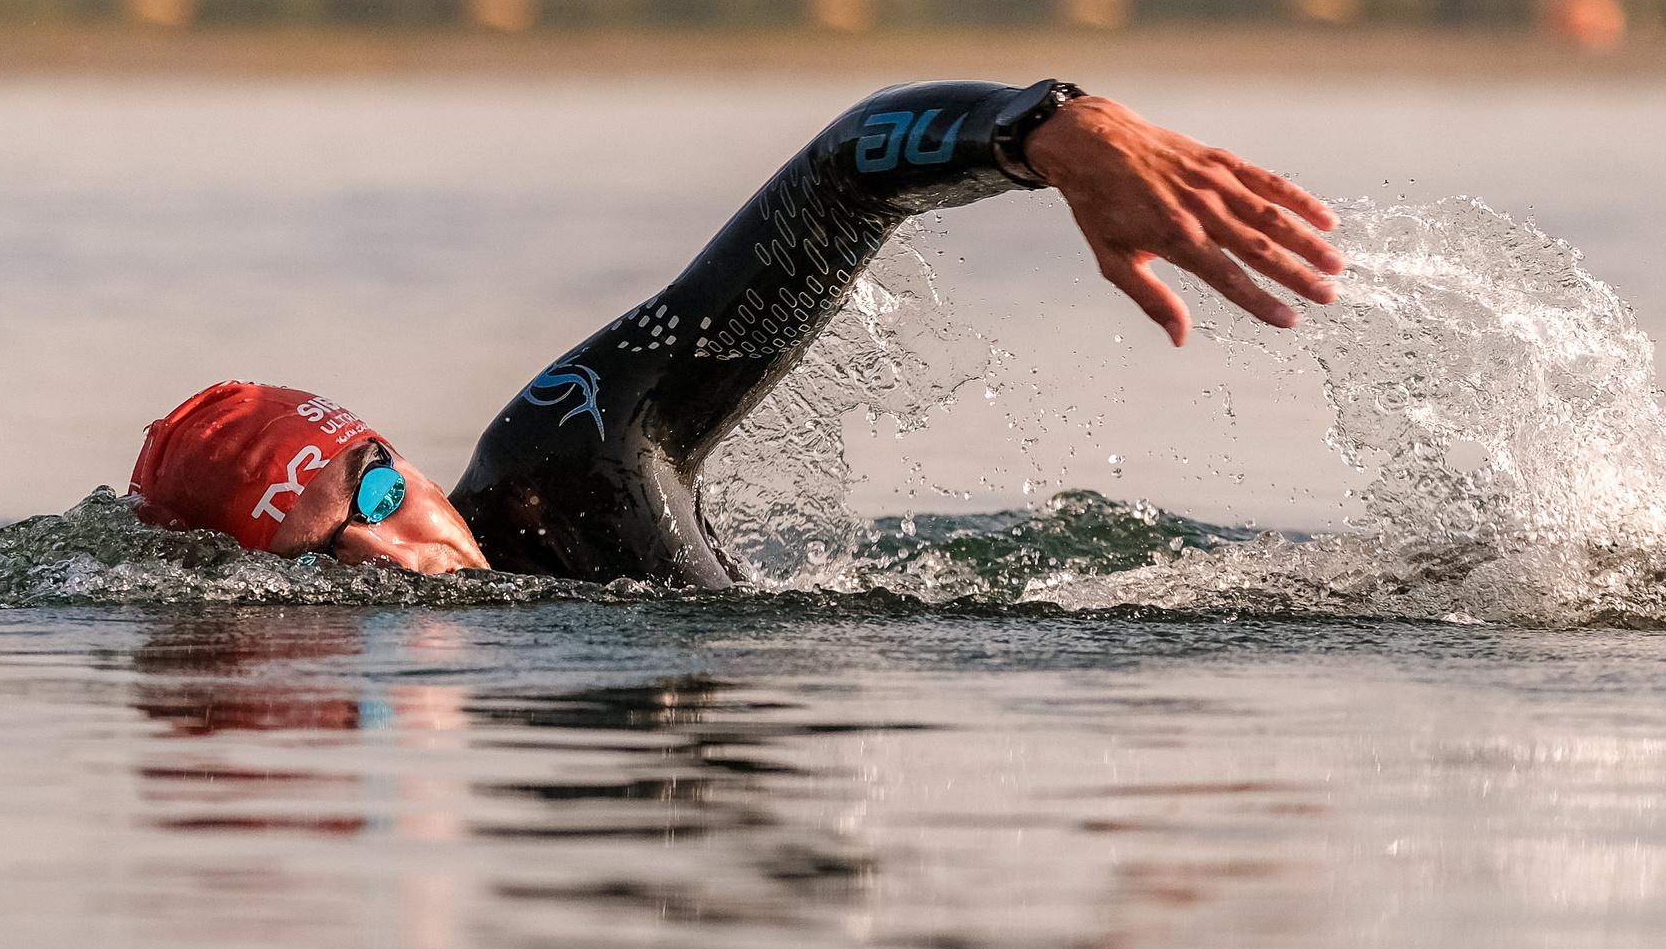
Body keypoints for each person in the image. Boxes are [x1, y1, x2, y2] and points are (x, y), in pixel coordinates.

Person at [128, 79, 1342, 587]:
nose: (399, 558)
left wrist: (1046, 128)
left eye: (380, 493)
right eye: (327, 562)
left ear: (406, 462)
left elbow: (840, 178)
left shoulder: (573, 464)